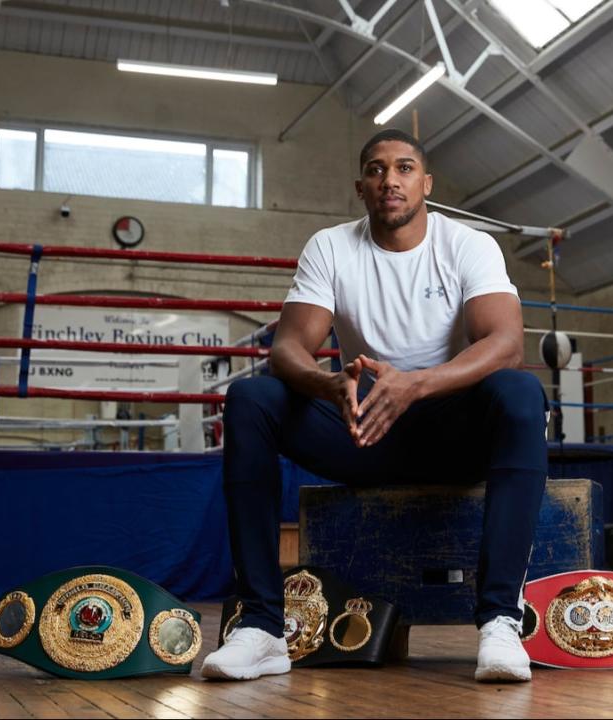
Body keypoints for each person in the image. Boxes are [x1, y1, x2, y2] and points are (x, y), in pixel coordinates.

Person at [201, 129, 548, 683]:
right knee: (251, 398)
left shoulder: (468, 245)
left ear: (426, 183)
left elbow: (505, 343)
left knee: (521, 392)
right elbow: (288, 348)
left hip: (449, 436)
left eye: (405, 168)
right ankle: (263, 627)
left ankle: (501, 621)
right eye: (377, 169)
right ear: (360, 186)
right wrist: (327, 384)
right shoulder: (331, 246)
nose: (391, 180)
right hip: (360, 429)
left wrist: (416, 384)